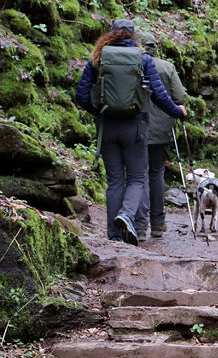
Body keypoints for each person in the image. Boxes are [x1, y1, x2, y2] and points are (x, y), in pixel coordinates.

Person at [74, 19, 187, 245]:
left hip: (107, 128)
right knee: (136, 177)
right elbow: (158, 95)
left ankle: (115, 237)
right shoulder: (142, 58)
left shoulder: (98, 57)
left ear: (111, 34)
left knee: (115, 181)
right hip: (135, 126)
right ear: (132, 36)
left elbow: (81, 95)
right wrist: (177, 112)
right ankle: (126, 214)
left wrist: (99, 112)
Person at [134, 28, 188, 239]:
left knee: (138, 175)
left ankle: (139, 226)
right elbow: (180, 95)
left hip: (137, 127)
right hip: (162, 131)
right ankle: (157, 223)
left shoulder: (132, 65)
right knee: (156, 174)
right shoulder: (167, 67)